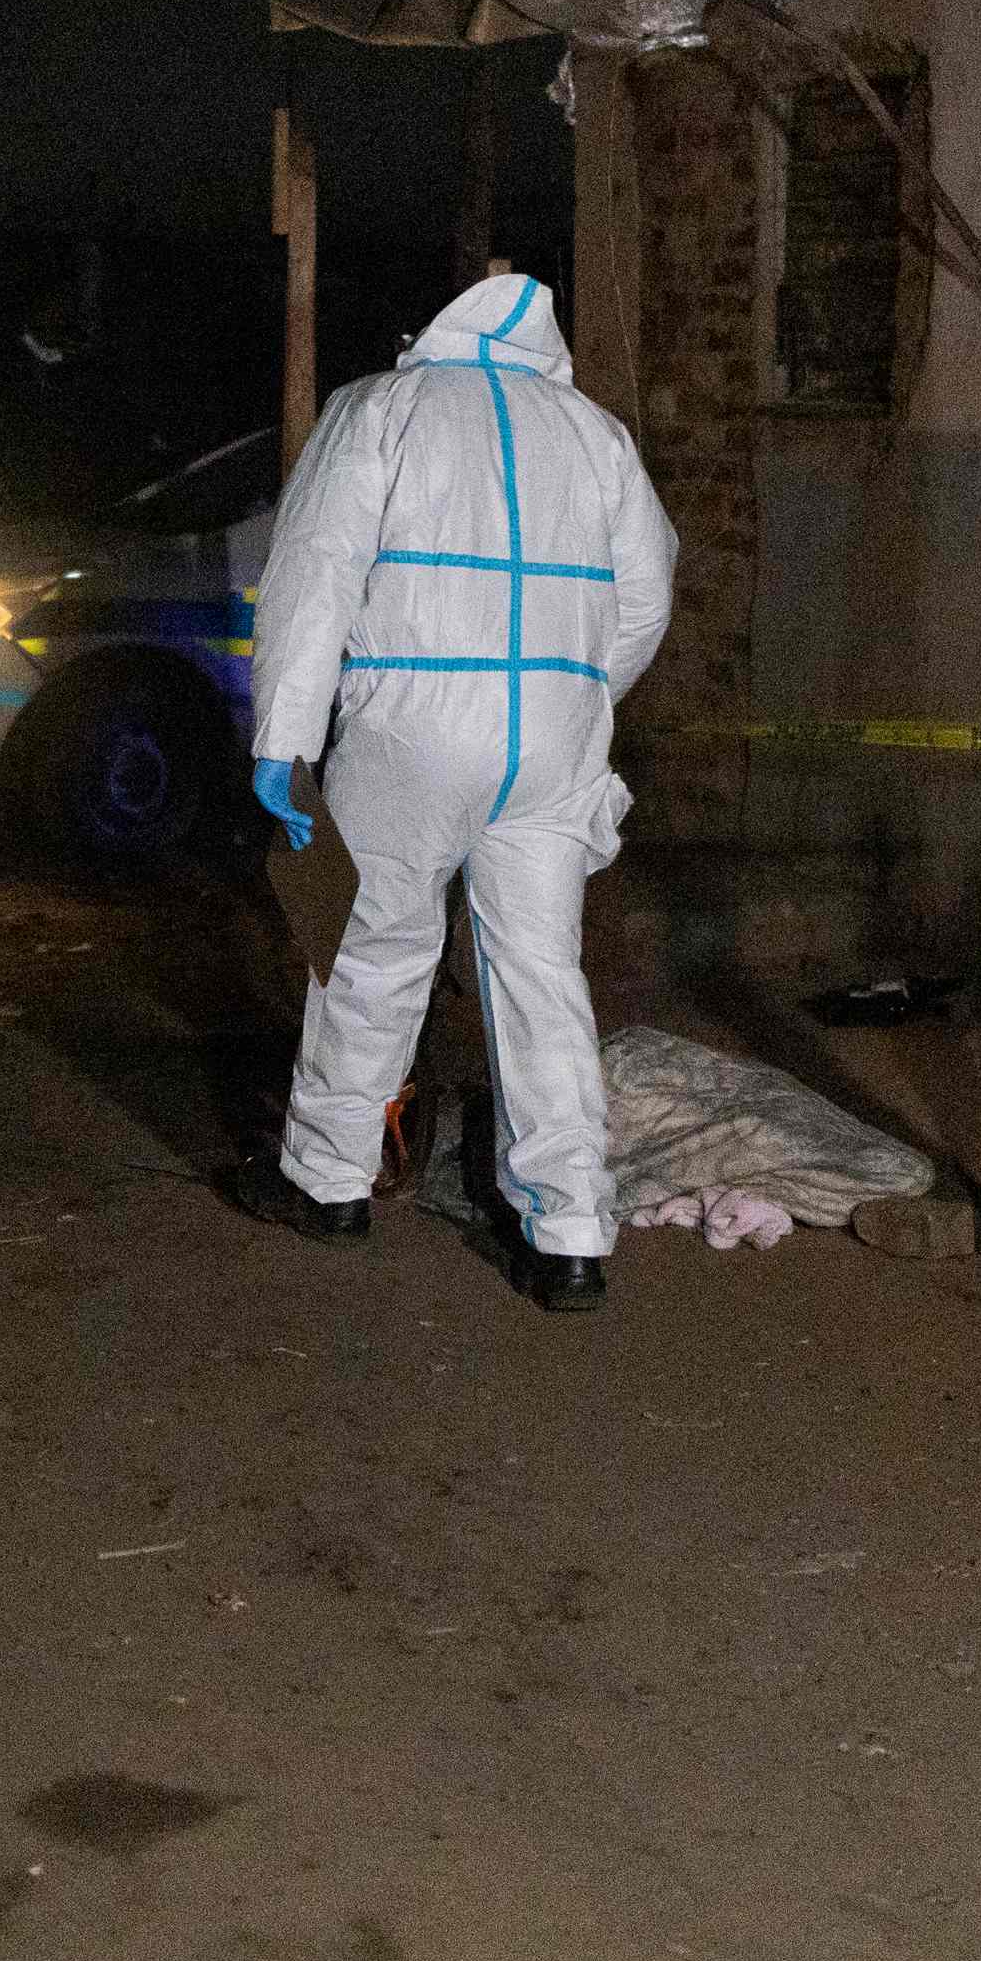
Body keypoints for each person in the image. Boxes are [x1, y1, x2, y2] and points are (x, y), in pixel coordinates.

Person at [232, 274, 676, 1312]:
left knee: (371, 948)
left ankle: (328, 1178)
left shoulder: (380, 408)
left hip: (412, 724)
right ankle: (568, 1233)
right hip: (552, 737)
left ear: (430, 330)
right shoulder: (595, 432)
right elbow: (648, 590)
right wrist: (575, 690)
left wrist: (282, 737)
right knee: (539, 973)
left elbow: (313, 573)